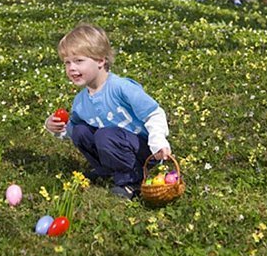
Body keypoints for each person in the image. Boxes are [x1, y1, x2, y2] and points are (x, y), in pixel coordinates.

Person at [45, 24, 172, 199]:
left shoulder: (121, 87)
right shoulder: (80, 102)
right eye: (67, 62)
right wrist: (56, 127)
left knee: (105, 135)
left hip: (144, 150)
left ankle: (133, 180)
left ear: (100, 60)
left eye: (79, 61)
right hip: (114, 146)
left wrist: (158, 141)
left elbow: (154, 113)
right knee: (82, 131)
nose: (71, 68)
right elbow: (73, 132)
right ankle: (107, 169)